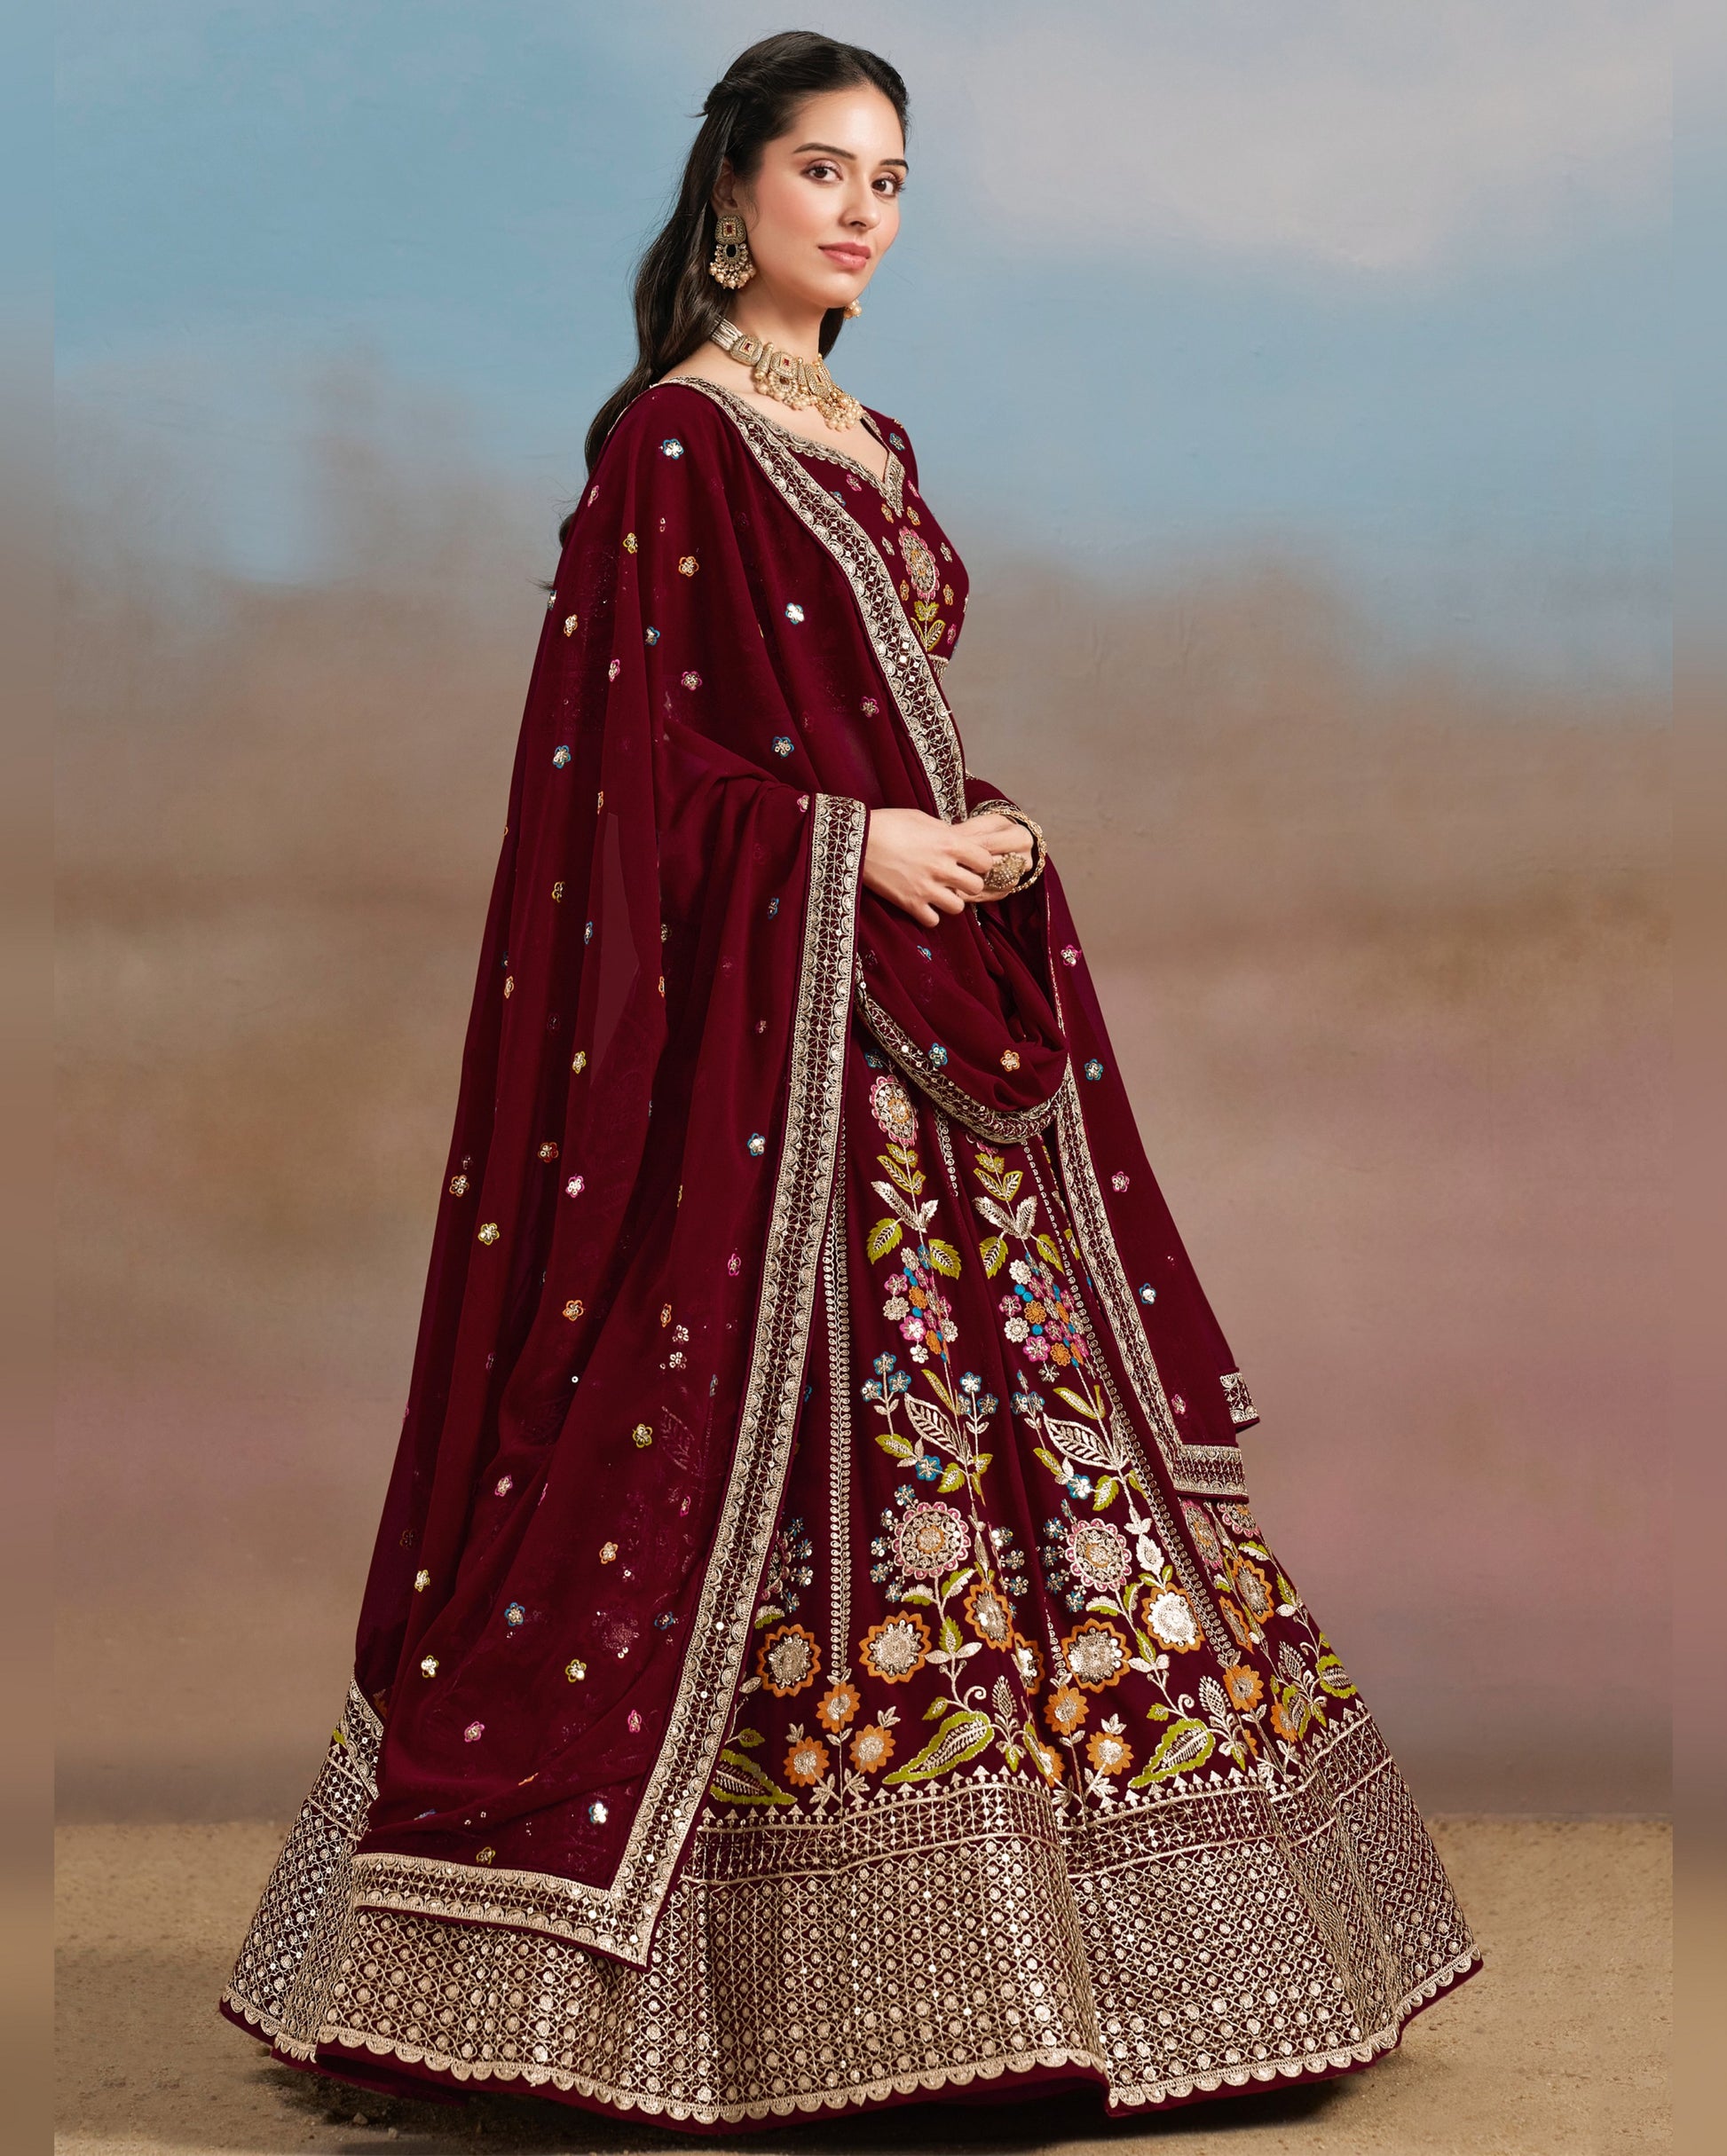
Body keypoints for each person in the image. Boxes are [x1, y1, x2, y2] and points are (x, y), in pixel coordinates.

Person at [222, 30, 1479, 2132]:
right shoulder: (677, 446)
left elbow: (869, 735)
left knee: (1030, 1474)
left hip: (926, 1026)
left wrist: (962, 834)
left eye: (891, 181)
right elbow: (633, 786)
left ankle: (1075, 1971)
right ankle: (700, 1994)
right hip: (789, 1067)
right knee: (793, 1459)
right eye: (823, 171)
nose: (861, 213)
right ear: (731, 197)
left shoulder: (867, 436)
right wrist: (849, 849)